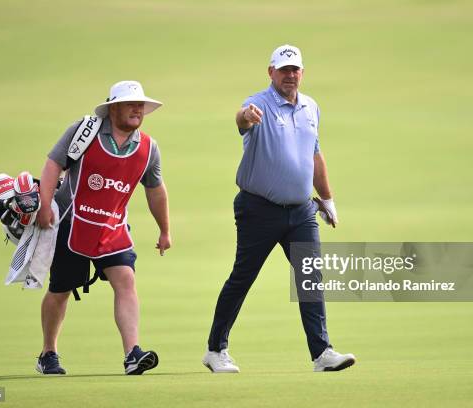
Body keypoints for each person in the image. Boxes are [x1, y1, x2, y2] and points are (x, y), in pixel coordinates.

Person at [202, 45, 356, 373]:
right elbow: (241, 118)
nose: (290, 75)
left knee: (310, 277)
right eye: (283, 69)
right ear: (271, 72)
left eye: (295, 69)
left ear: (302, 72)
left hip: (301, 212)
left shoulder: (311, 107)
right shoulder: (258, 104)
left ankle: (322, 353)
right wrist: (245, 117)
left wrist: (326, 199)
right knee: (243, 277)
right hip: (259, 209)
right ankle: (216, 350)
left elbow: (314, 155)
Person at [36, 80, 171, 375]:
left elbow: (156, 190)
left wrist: (164, 230)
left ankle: (132, 354)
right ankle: (48, 352)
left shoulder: (148, 148)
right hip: (73, 225)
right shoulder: (84, 131)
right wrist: (45, 205)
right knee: (60, 290)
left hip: (113, 227)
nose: (137, 110)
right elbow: (52, 165)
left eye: (140, 105)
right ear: (113, 109)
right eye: (130, 104)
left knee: (126, 280)